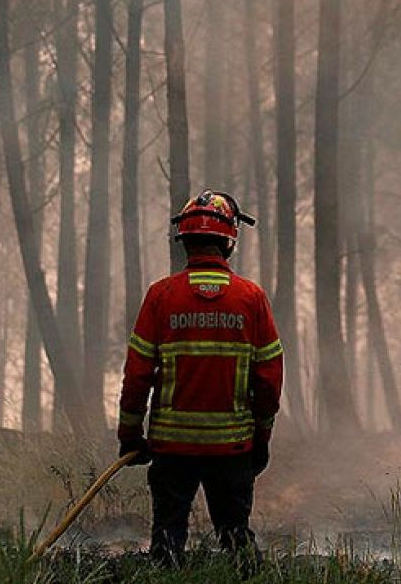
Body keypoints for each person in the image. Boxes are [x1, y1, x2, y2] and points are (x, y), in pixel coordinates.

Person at [116, 190, 283, 564]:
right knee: (236, 535)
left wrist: (130, 435)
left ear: (186, 242)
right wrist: (262, 435)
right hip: (233, 448)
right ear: (228, 243)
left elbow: (138, 375)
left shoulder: (161, 296)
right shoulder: (251, 298)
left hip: (171, 448)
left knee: (167, 540)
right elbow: (269, 380)